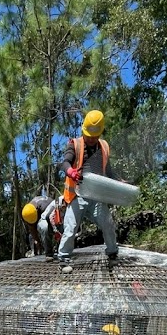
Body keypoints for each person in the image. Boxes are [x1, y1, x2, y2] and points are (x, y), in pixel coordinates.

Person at [57, 110, 120, 274]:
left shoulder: (104, 146)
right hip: (78, 195)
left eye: (94, 136)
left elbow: (109, 169)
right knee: (70, 227)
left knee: (107, 223)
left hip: (96, 195)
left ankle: (112, 254)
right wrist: (70, 171)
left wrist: (119, 181)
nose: (91, 139)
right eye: (89, 136)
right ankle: (64, 258)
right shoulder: (75, 144)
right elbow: (65, 163)